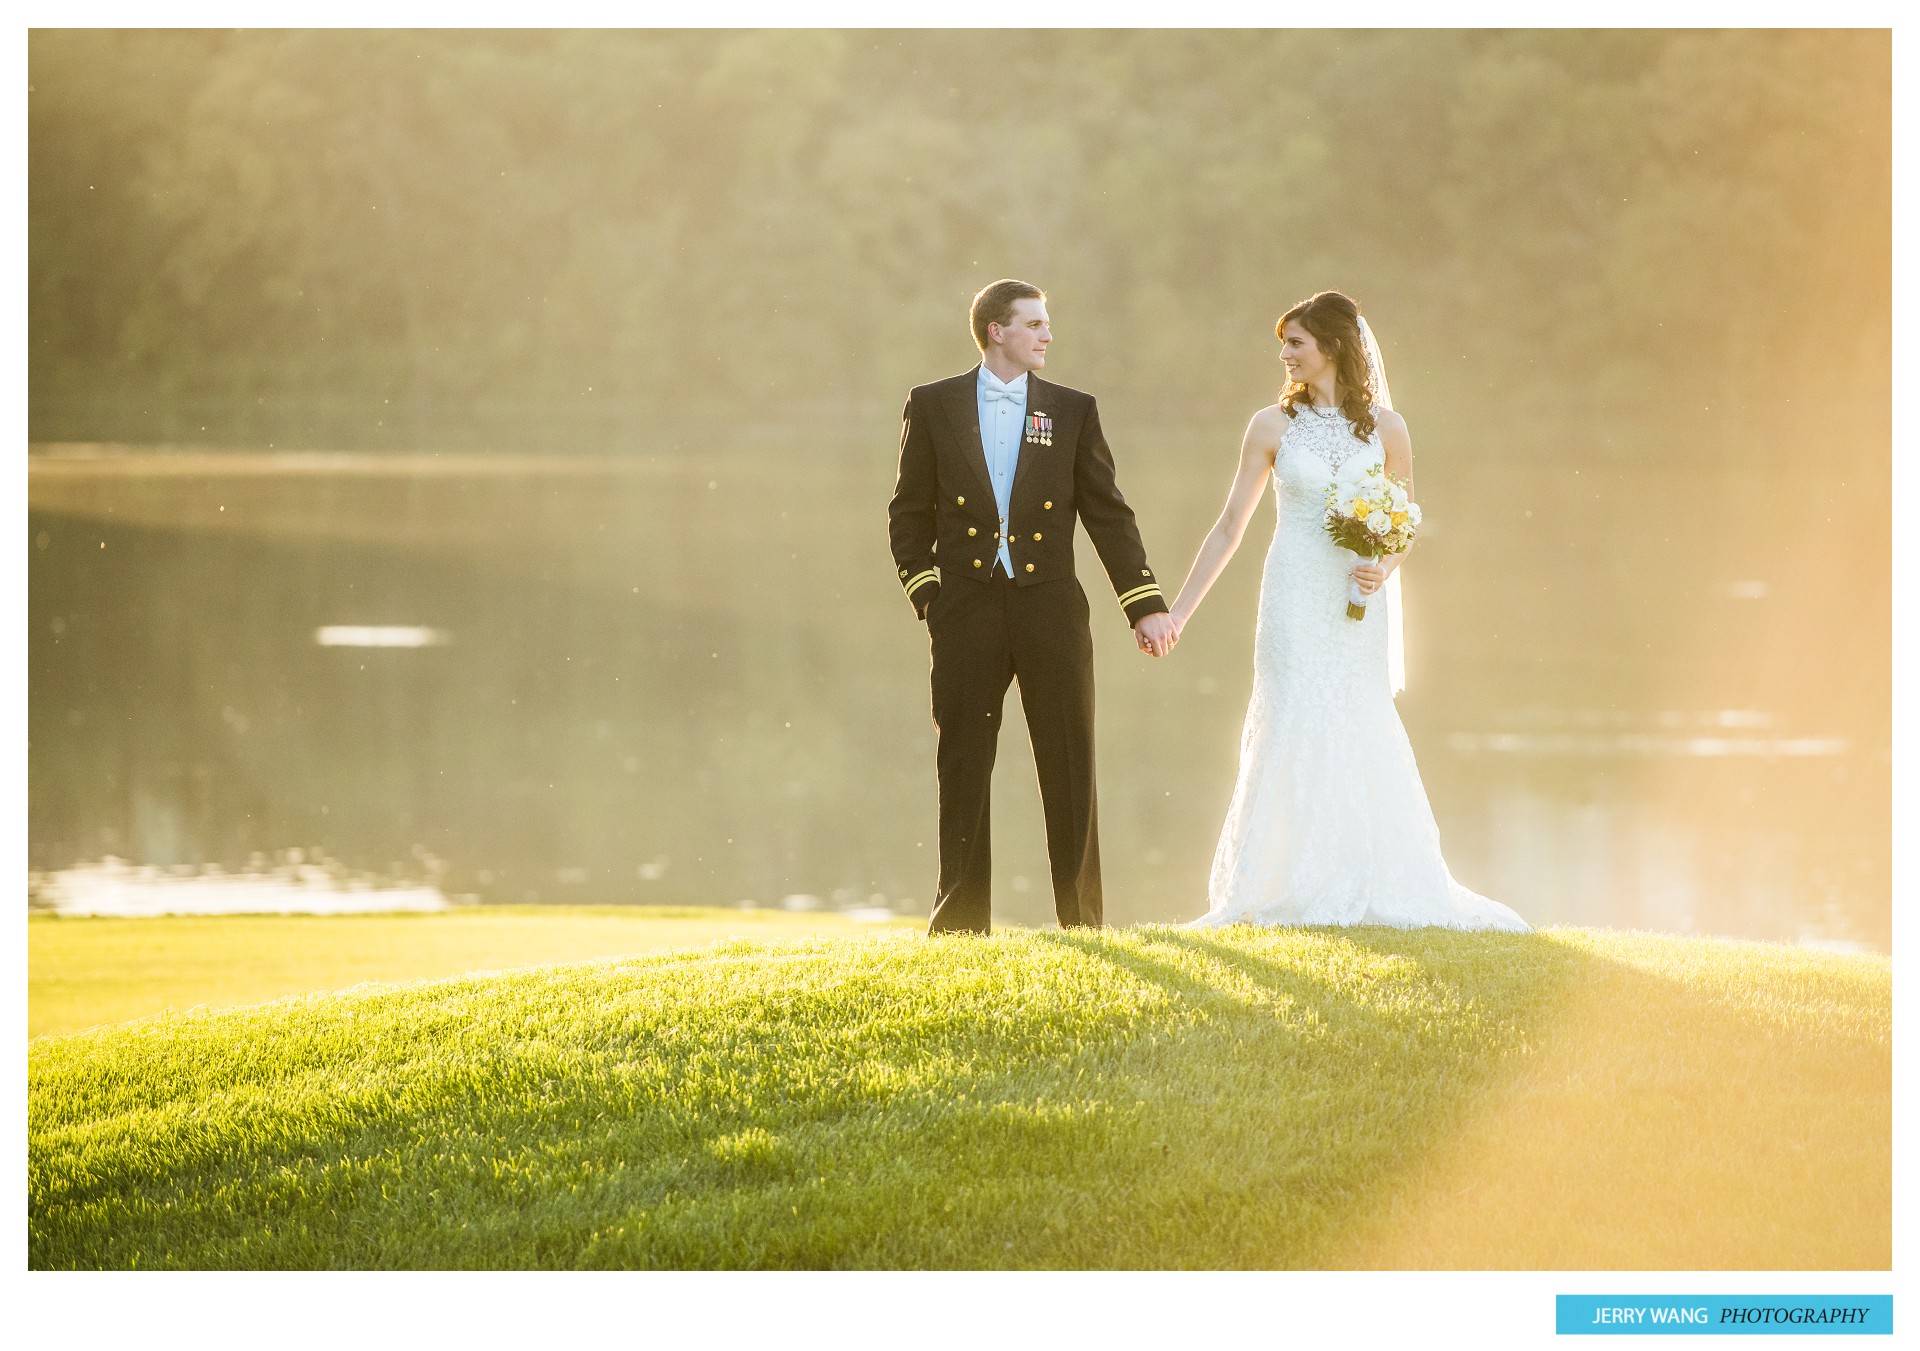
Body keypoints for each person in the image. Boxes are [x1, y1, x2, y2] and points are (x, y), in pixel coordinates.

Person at [1165, 290, 1528, 931]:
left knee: (1358, 717)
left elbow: (1404, 521)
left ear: (1331, 348)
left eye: (1296, 342)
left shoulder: (1388, 428)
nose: (1285, 354)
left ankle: (1367, 873)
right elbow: (1228, 528)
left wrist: (1382, 568)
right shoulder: (1270, 427)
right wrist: (1178, 613)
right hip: (1291, 595)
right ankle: (1281, 880)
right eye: (1284, 343)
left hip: (1356, 597)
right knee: (1291, 716)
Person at [888, 279, 1179, 935]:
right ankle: (959, 925)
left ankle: (1082, 922)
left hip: (1050, 609)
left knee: (1070, 763)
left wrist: (1145, 604)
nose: (1047, 334)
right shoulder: (932, 405)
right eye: (1034, 323)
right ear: (996, 330)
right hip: (965, 610)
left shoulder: (1073, 410)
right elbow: (906, 516)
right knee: (963, 763)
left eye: (1046, 324)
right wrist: (930, 597)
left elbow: (1108, 515)